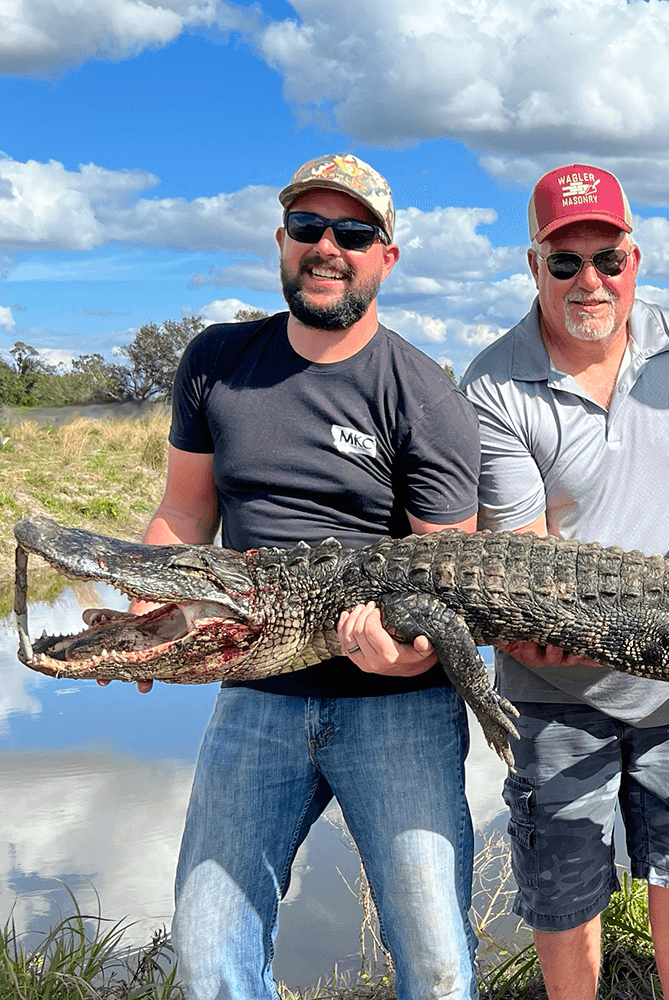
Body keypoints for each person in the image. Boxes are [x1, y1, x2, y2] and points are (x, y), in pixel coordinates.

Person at [146, 153, 483, 1000]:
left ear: (386, 257)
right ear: (282, 241)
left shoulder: (424, 394)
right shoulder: (218, 362)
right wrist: (154, 598)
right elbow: (186, 514)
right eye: (308, 228)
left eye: (353, 233)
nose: (327, 247)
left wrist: (409, 657)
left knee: (437, 962)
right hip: (257, 690)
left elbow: (453, 580)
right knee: (208, 943)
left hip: (396, 704)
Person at [459, 162, 669, 1000]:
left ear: (635, 257)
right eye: (566, 261)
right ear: (534, 266)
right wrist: (545, 622)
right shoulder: (493, 384)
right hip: (554, 682)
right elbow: (526, 562)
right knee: (564, 884)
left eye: (608, 258)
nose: (591, 280)